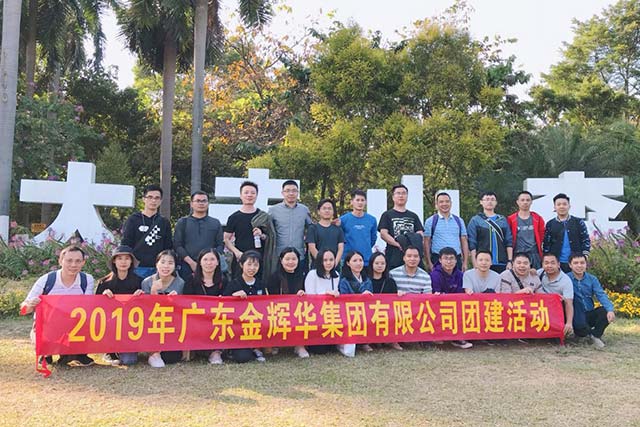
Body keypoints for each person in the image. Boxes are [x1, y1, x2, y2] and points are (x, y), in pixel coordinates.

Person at [21, 245, 95, 367]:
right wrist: (30, 304)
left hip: (73, 324)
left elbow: (87, 306)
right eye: (69, 260)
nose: (73, 265)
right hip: (48, 325)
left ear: (83, 263)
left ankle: (78, 353)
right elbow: (24, 309)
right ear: (60, 261)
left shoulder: (87, 280)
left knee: (88, 323)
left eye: (78, 261)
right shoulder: (47, 280)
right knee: (46, 351)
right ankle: (46, 352)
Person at [96, 245, 143, 366]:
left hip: (131, 324)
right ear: (114, 261)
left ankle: (128, 347)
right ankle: (109, 351)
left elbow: (145, 307)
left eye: (127, 258)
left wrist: (142, 296)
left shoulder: (139, 281)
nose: (123, 262)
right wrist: (103, 296)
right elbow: (96, 308)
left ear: (131, 261)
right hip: (110, 323)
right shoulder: (104, 283)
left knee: (129, 361)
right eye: (119, 258)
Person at [141, 250, 185, 368]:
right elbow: (145, 309)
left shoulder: (180, 283)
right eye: (163, 262)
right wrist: (153, 292)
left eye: (170, 263)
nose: (166, 266)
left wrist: (175, 301)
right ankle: (153, 353)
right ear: (157, 264)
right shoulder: (147, 282)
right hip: (152, 322)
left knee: (172, 357)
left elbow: (182, 310)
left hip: (171, 323)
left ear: (175, 266)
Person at [184, 248, 227, 364]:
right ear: (199, 262)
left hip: (216, 319)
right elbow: (186, 302)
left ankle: (216, 352)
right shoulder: (191, 279)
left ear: (217, 262)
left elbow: (228, 303)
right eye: (205, 260)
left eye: (212, 259)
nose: (209, 263)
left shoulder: (223, 280)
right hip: (196, 318)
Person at [223, 250, 267, 363]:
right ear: (242, 265)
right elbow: (223, 305)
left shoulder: (261, 284)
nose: (252, 268)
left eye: (255, 265)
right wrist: (233, 297)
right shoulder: (233, 284)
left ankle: (256, 348)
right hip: (238, 328)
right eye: (249, 264)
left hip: (257, 326)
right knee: (242, 357)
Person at [265, 247, 309, 358]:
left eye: (294, 259)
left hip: (298, 310)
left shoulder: (303, 276)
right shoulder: (274, 277)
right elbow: (271, 299)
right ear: (281, 260)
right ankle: (276, 343)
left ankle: (299, 345)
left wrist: (303, 294)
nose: (290, 262)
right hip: (280, 310)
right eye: (287, 259)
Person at [122, 184, 173, 278]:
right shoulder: (133, 219)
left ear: (160, 201)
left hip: (157, 268)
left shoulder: (164, 222)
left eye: (157, 198)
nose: (153, 200)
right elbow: (126, 243)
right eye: (150, 197)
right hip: (137, 268)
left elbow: (168, 246)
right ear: (144, 199)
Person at [568, 254, 616, 348]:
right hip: (576, 315)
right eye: (576, 263)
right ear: (570, 265)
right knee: (581, 329)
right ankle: (584, 333)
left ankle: (595, 335)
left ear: (586, 264)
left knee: (605, 311)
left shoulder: (592, 279)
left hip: (589, 312)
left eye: (582, 263)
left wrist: (610, 310)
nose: (579, 265)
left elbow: (601, 294)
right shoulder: (566, 279)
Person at [174, 191, 224, 280]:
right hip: (187, 266)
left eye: (204, 201)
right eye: (198, 201)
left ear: (208, 203)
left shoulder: (215, 223)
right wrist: (191, 263)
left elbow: (220, 245)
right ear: (191, 204)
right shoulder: (183, 222)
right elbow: (177, 245)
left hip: (210, 267)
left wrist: (211, 261)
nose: (201, 203)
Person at [430, 247, 472, 349]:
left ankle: (458, 338)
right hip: (440, 305)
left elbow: (461, 292)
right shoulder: (434, 275)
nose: (449, 262)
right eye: (446, 258)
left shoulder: (460, 275)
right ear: (440, 260)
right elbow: (435, 293)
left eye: (451, 258)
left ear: (456, 260)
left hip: (456, 306)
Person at [268, 180, 313, 274]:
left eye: (294, 190)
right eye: (287, 190)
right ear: (282, 193)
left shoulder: (304, 210)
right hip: (279, 256)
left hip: (299, 255)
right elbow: (268, 230)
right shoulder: (273, 210)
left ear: (298, 193)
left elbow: (312, 228)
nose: (291, 193)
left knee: (299, 281)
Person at [224, 181, 265, 278]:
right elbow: (226, 239)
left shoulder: (263, 216)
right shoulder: (234, 217)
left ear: (256, 195)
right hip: (240, 258)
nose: (249, 195)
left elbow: (270, 237)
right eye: (246, 192)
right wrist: (236, 252)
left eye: (253, 193)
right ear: (241, 195)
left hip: (259, 258)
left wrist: (261, 235)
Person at [378, 184, 424, 270]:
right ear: (393, 197)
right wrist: (398, 244)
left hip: (411, 256)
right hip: (394, 256)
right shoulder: (387, 215)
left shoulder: (413, 216)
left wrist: (412, 247)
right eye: (398, 193)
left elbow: (420, 233)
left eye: (403, 193)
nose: (401, 196)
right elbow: (383, 234)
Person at [304, 249, 340, 355]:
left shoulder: (336, 275)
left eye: (331, 260)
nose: (328, 263)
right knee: (319, 350)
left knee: (331, 347)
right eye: (325, 260)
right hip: (315, 315)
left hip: (331, 315)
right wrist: (326, 294)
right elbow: (310, 297)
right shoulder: (312, 274)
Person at [543, 193, 590, 273]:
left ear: (569, 206)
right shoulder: (550, 224)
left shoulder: (578, 222)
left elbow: (585, 239)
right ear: (554, 207)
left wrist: (585, 256)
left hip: (576, 262)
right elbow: (547, 244)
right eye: (559, 204)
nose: (562, 206)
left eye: (564, 204)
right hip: (557, 262)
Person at [467, 191, 513, 273]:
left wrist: (510, 261)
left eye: (492, 199)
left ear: (496, 202)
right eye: (487, 199)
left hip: (501, 262)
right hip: (483, 262)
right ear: (481, 202)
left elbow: (509, 241)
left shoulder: (502, 220)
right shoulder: (476, 220)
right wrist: (475, 263)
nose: (490, 202)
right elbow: (472, 243)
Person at [424, 192, 469, 271]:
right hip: (437, 259)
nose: (444, 204)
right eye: (441, 202)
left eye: (447, 201)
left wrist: (465, 262)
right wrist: (429, 262)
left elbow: (464, 241)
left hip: (456, 259)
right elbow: (426, 242)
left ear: (451, 203)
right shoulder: (430, 221)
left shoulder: (459, 220)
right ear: (436, 204)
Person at [368, 252, 403, 351]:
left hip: (387, 312)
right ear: (371, 264)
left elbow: (394, 300)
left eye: (382, 263)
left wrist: (399, 294)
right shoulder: (366, 280)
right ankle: (366, 342)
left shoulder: (390, 281)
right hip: (370, 311)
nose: (380, 266)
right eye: (377, 263)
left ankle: (392, 340)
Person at [536, 252, 574, 337]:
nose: (549, 266)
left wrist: (569, 323)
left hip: (557, 309)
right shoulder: (539, 273)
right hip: (542, 308)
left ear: (558, 264)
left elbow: (569, 303)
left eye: (553, 263)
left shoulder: (565, 281)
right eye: (546, 263)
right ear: (542, 265)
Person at [507, 191, 545, 269]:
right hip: (518, 255)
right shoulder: (511, 219)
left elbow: (542, 236)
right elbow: (508, 238)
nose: (525, 202)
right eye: (522, 200)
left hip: (534, 255)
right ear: (517, 202)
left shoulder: (537, 218)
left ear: (531, 202)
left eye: (528, 200)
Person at [340, 190, 378, 266]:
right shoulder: (343, 220)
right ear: (352, 202)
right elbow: (340, 240)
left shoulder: (372, 220)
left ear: (366, 202)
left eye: (362, 200)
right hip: (348, 261)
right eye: (357, 200)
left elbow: (373, 238)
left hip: (366, 261)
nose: (360, 203)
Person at [306, 199, 345, 266]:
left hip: (334, 267)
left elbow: (340, 248)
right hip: (317, 267)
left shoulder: (338, 229)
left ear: (333, 211)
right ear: (318, 211)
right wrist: (322, 263)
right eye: (324, 208)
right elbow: (312, 247)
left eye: (329, 208)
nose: (327, 211)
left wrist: (334, 263)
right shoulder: (313, 228)